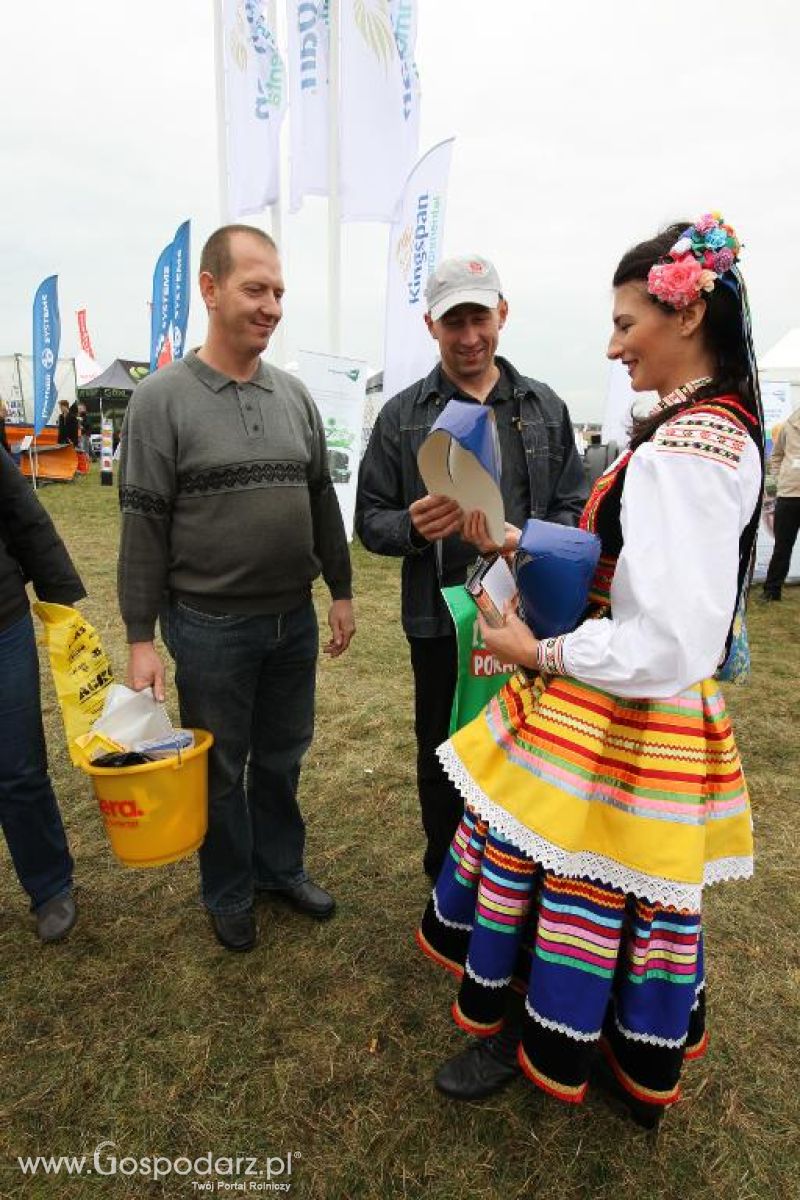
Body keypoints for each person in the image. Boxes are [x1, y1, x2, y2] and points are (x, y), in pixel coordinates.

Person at [416, 214, 764, 1128]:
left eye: (625, 323)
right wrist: (517, 534)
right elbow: (633, 565)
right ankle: (600, 1039)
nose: (612, 346)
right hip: (647, 711)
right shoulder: (712, 425)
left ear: (685, 317)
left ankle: (533, 1033)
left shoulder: (688, 450)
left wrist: (540, 652)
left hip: (623, 706)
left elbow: (667, 637)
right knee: (612, 892)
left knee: (557, 877)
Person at [117, 224, 355, 953]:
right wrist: (139, 638)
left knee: (283, 756)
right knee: (221, 766)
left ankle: (279, 867)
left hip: (293, 619)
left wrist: (340, 591)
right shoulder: (161, 400)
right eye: (256, 288)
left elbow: (320, 501)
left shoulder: (295, 398)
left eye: (279, 290)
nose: (272, 305)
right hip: (210, 626)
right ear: (210, 289)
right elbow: (143, 526)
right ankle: (226, 890)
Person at [355, 255, 586, 880]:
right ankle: (448, 879)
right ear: (432, 325)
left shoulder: (544, 406)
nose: (468, 336)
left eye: (479, 317)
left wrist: (527, 542)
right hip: (439, 619)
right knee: (444, 750)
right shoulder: (403, 415)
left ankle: (521, 881)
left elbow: (574, 504)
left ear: (502, 315)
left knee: (534, 743)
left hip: (533, 615)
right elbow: (368, 518)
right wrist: (410, 526)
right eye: (453, 320)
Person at [0, 445, 85, 941]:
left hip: (3, 623)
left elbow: (21, 510)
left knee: (19, 767)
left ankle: (50, 885)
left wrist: (61, 599)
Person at [760, 403, 800, 600]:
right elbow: (776, 456)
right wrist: (780, 476)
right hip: (789, 495)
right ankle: (771, 591)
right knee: (782, 546)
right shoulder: (787, 426)